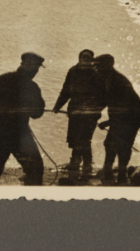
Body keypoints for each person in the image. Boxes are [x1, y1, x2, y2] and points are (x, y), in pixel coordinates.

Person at [0, 52, 46, 185]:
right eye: (36, 68)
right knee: (35, 167)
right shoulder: (32, 87)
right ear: (30, 67)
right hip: (19, 132)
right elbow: (37, 114)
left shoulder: (3, 78)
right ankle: (34, 200)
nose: (36, 71)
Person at [53, 49, 106, 180]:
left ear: (92, 59)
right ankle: (78, 161)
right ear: (79, 58)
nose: (85, 59)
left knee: (84, 138)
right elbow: (66, 90)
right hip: (75, 111)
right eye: (83, 57)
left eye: (88, 57)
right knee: (74, 137)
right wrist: (58, 105)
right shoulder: (73, 71)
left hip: (90, 113)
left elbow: (104, 95)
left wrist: (97, 109)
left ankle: (83, 163)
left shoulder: (97, 73)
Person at [95, 54, 140, 184]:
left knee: (122, 146)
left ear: (109, 65)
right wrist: (93, 112)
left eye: (99, 65)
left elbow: (124, 109)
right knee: (110, 144)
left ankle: (120, 176)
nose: (96, 68)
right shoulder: (107, 78)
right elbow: (105, 100)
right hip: (122, 117)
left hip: (132, 118)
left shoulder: (119, 81)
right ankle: (109, 174)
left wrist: (107, 122)